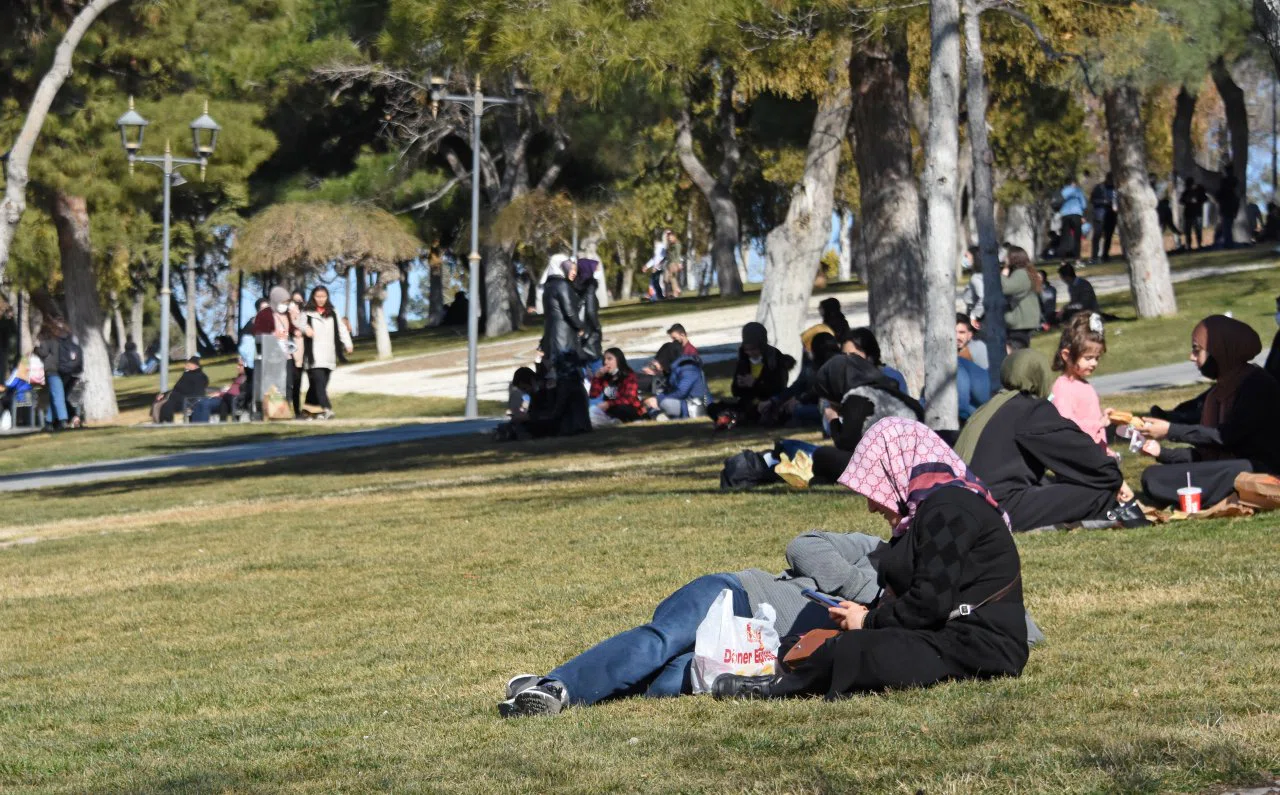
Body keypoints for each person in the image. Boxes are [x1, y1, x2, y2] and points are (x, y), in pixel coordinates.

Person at [712, 418, 1028, 702]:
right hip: (946, 632)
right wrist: (869, 614)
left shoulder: (951, 510)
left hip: (979, 645)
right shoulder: (928, 512)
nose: (872, 507)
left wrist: (867, 622)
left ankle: (778, 687)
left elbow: (929, 603)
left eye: (873, 487)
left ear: (895, 470)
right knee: (820, 641)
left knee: (857, 649)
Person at [497, 529, 887, 716]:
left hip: (754, 652)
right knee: (659, 643)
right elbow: (804, 547)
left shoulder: (908, 610)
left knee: (663, 684)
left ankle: (535, 688)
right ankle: (557, 688)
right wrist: (861, 592)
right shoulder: (874, 550)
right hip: (740, 595)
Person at [954, 350, 1139, 532]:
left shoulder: (987, 408)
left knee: (1051, 484)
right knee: (1100, 493)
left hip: (962, 505)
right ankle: (1115, 519)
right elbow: (1079, 453)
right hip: (996, 508)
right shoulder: (1029, 409)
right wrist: (1113, 476)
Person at [1137, 315, 1280, 509]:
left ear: (1219, 351)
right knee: (1152, 476)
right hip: (1232, 465)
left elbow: (1224, 437)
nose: (1191, 357)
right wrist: (1162, 452)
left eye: (1197, 350)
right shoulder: (1220, 392)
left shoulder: (1257, 385)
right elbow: (1209, 455)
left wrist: (1170, 430)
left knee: (1239, 469)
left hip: (1265, 470)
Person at [1049, 312, 1113, 456]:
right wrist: (1099, 424)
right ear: (1066, 355)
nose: (1094, 363)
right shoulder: (1063, 388)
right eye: (1088, 358)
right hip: (1080, 459)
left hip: (1095, 454)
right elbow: (1066, 425)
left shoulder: (1083, 384)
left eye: (1097, 358)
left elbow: (1086, 416)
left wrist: (1103, 417)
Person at [710, 322, 794, 426]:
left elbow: (778, 388)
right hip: (747, 402)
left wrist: (755, 383)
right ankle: (730, 418)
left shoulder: (774, 359)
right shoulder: (744, 359)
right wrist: (740, 384)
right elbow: (735, 392)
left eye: (753, 349)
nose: (750, 353)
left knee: (761, 411)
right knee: (713, 407)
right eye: (747, 349)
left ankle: (733, 419)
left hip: (767, 402)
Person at [301, 286, 354, 419]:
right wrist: (305, 328)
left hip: (329, 353)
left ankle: (309, 412)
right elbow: (298, 323)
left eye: (323, 296)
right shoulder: (307, 312)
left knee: (318, 385)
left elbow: (341, 329)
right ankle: (326, 408)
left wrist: (348, 343)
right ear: (313, 297)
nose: (321, 299)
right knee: (319, 383)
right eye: (318, 296)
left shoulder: (333, 312)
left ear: (327, 297)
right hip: (313, 355)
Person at [254, 286, 304, 417]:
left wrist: (296, 331)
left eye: (287, 302)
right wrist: (271, 336)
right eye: (283, 302)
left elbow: (290, 328)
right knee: (273, 384)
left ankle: (285, 408)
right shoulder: (264, 315)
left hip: (286, 354)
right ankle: (269, 410)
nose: (285, 305)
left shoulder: (286, 314)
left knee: (288, 383)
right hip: (271, 355)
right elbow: (258, 333)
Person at [643, 341, 710, 420]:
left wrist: (658, 399)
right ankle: (659, 415)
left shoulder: (688, 369)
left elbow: (681, 391)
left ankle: (663, 416)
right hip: (686, 403)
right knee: (653, 402)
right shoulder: (674, 369)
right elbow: (670, 389)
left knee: (665, 403)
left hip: (697, 406)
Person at [35, 319, 79, 430]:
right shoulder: (60, 341)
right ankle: (49, 422)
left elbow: (43, 353)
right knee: (54, 396)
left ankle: (63, 420)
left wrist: (36, 349)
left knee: (57, 397)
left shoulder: (48, 341)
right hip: (63, 371)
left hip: (53, 372)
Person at [588, 348, 645, 427]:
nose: (605, 362)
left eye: (609, 359)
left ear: (618, 360)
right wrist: (597, 378)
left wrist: (608, 403)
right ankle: (611, 422)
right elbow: (593, 395)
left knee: (622, 408)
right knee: (592, 410)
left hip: (629, 409)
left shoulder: (628, 375)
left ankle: (612, 422)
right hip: (611, 410)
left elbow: (629, 398)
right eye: (604, 359)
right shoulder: (606, 376)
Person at [841, 327, 908, 394]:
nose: (847, 359)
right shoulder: (841, 381)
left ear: (870, 356)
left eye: (853, 355)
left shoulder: (892, 377)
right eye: (844, 355)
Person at [1001, 246, 1042, 349]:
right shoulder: (1026, 272)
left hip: (1020, 322)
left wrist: (1003, 273)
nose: (1004, 259)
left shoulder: (1021, 274)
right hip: (1024, 321)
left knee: (1016, 353)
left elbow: (1006, 288)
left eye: (1007, 256)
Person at [152, 357, 210, 423]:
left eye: (188, 365)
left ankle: (166, 423)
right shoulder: (186, 374)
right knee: (158, 403)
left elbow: (198, 392)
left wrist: (189, 402)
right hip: (176, 398)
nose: (185, 366)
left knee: (166, 405)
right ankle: (158, 423)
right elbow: (176, 388)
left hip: (186, 401)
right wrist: (164, 394)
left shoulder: (200, 377)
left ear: (195, 366)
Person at [955, 315, 991, 422]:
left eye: (962, 332)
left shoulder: (978, 347)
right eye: (954, 332)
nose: (957, 336)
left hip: (982, 399)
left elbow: (982, 383)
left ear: (970, 335)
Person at [574, 259, 603, 369]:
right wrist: (597, 327)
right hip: (590, 331)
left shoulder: (577, 285)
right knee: (596, 364)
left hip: (581, 330)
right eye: (596, 268)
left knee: (583, 364)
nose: (598, 270)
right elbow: (591, 311)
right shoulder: (590, 287)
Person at [1057, 173, 1088, 262]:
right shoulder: (1077, 190)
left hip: (1065, 215)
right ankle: (1077, 258)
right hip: (1076, 214)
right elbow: (1084, 204)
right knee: (1077, 237)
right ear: (1073, 183)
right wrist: (1083, 215)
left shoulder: (1062, 191)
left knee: (1064, 237)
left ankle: (1063, 260)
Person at [1089, 172, 1118, 263]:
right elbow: (1093, 200)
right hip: (1100, 214)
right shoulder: (1099, 187)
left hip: (1111, 215)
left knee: (1108, 236)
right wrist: (1104, 202)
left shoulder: (1116, 189)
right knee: (1097, 236)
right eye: (1110, 179)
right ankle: (1094, 256)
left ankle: (1105, 255)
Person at [1216, 165, 1240, 248]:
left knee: (1227, 227)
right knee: (1227, 227)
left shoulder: (1228, 182)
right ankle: (1228, 243)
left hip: (1228, 208)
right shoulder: (1230, 183)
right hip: (1228, 208)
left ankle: (1228, 244)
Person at [1181, 181, 1207, 250]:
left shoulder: (1199, 192)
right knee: (1188, 231)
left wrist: (1198, 200)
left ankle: (1199, 244)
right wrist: (1187, 200)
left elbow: (1205, 199)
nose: (1190, 187)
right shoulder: (1186, 192)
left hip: (1197, 214)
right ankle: (1189, 245)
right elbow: (1181, 201)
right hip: (1189, 214)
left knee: (1198, 230)